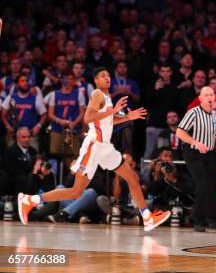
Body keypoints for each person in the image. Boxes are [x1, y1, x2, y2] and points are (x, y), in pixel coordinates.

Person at [16, 67, 171, 232]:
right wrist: (113, 111)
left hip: (105, 147)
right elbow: (88, 118)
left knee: (132, 177)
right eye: (103, 76)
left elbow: (107, 120)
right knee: (76, 192)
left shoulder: (107, 97)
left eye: (109, 75)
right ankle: (30, 200)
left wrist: (127, 117)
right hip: (94, 146)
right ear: (96, 80)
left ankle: (147, 217)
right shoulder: (97, 94)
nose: (107, 78)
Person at [176, 86, 216, 232]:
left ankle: (212, 219)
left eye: (212, 94)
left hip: (210, 153)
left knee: (211, 186)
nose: (210, 97)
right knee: (203, 184)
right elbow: (180, 131)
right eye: (207, 95)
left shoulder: (215, 115)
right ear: (201, 98)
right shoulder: (193, 113)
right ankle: (198, 220)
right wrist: (195, 143)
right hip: (193, 153)